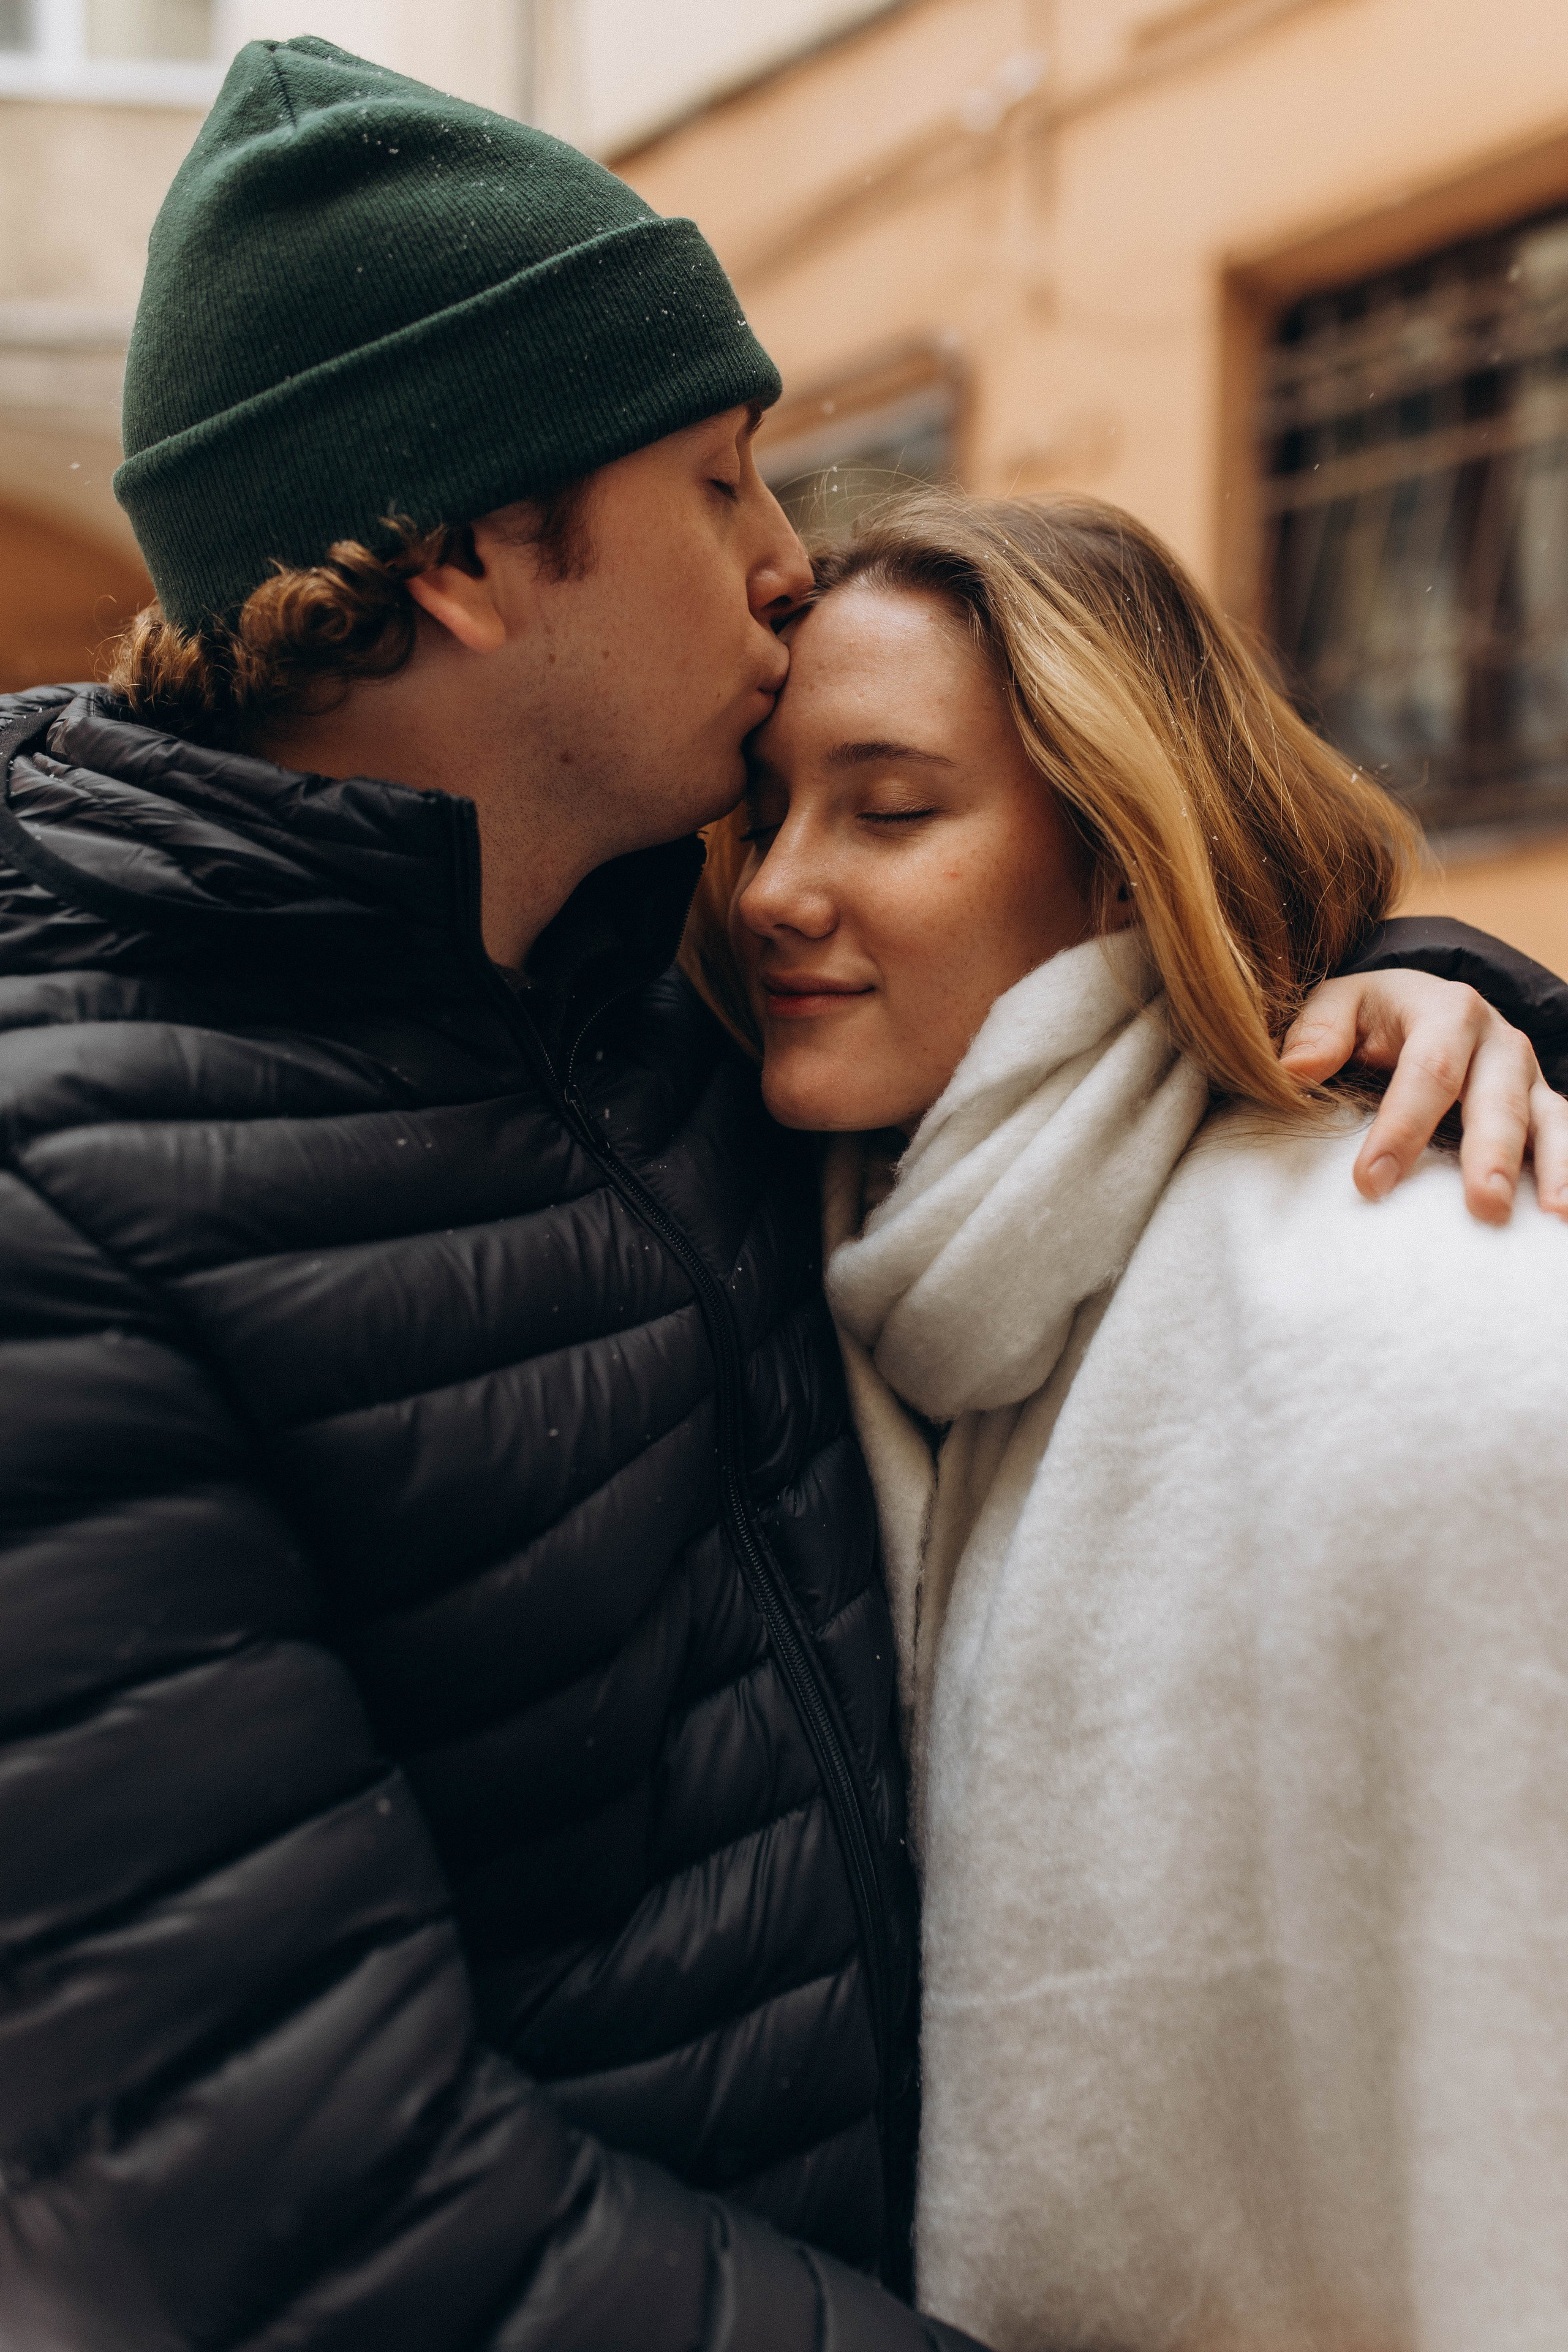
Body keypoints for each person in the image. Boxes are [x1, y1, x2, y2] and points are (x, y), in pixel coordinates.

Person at [0, 37, 1558, 2352]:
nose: (781, 553)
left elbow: (1080, 1014)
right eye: (720, 477)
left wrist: (1427, 980)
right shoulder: (70, 1203)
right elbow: (287, 2198)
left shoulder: (658, 1005)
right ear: (460, 554)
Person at [692, 488, 1568, 2352]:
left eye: (892, 807)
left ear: (1118, 858)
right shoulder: (826, 1242)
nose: (773, 887)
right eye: (762, 810)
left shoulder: (1432, 1313)